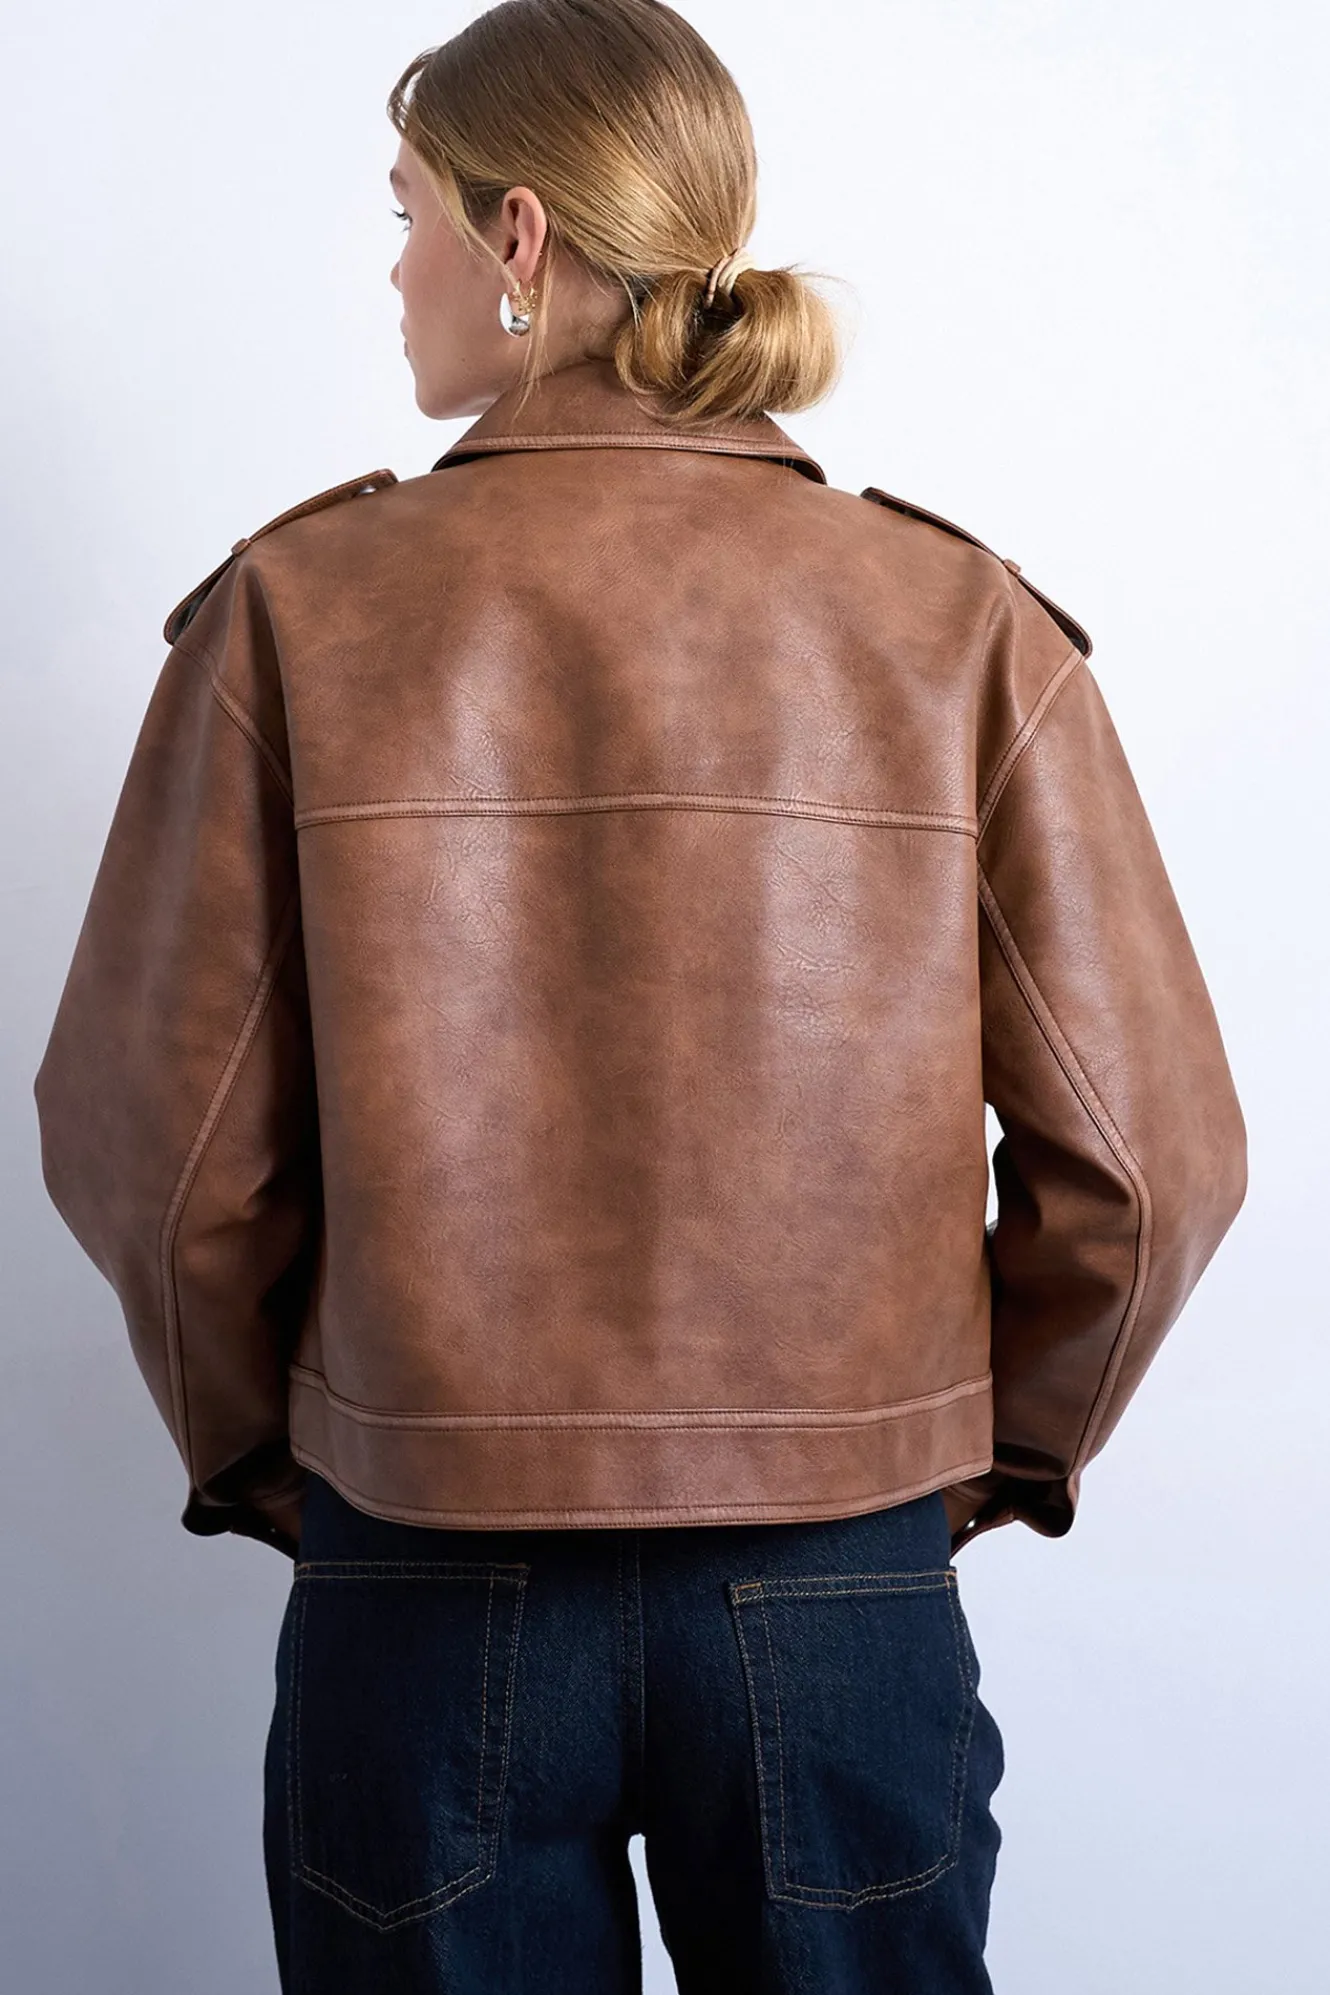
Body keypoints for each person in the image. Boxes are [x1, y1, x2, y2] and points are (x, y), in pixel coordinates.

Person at [31, 2, 1248, 1989]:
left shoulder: (295, 610)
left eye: (409, 213)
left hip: (421, 1571)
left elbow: (152, 1159)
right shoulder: (954, 623)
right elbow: (1150, 1162)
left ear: (517, 239)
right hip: (837, 1575)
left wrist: (303, 1460)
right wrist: (956, 1460)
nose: (394, 269)